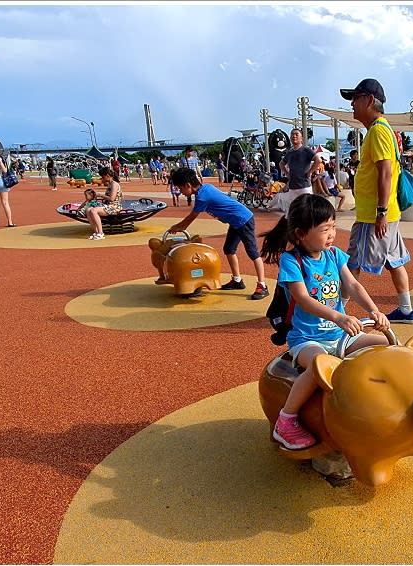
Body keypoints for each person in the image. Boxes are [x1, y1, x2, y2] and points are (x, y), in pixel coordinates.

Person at [258, 193, 391, 449]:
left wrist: (375, 311)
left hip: (339, 336)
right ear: (301, 233)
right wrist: (338, 316)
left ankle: (378, 404)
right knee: (320, 365)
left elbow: (352, 284)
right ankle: (286, 421)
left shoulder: (334, 255)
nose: (332, 234)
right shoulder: (292, 261)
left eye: (333, 226)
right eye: (325, 229)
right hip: (307, 338)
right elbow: (303, 298)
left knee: (385, 344)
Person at [340, 77, 413, 324]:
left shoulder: (378, 131)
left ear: (369, 100)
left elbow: (385, 172)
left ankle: (337, 312)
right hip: (384, 213)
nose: (352, 104)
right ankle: (406, 309)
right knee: (394, 260)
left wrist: (380, 212)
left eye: (355, 99)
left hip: (373, 215)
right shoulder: (381, 129)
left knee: (352, 263)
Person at [168, 167, 270, 300]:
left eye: (180, 189)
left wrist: (177, 227)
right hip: (236, 221)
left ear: (188, 185)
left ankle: (262, 285)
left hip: (243, 220)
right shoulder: (206, 188)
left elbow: (190, 218)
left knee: (252, 252)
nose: (180, 192)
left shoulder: (202, 197)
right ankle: (237, 280)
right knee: (229, 249)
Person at [278, 128, 322, 214]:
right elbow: (281, 164)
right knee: (294, 211)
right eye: (292, 134)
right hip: (292, 187)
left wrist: (310, 171)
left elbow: (318, 160)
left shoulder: (306, 150)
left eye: (296, 134)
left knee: (307, 210)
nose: (294, 136)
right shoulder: (289, 152)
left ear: (301, 138)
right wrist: (287, 173)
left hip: (304, 186)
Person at [83, 166, 123, 240]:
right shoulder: (110, 184)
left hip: (114, 207)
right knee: (88, 210)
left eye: (103, 177)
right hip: (109, 206)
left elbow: (112, 199)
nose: (102, 178)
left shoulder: (114, 184)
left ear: (107, 176)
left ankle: (101, 233)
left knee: (93, 210)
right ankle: (96, 232)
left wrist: (100, 195)